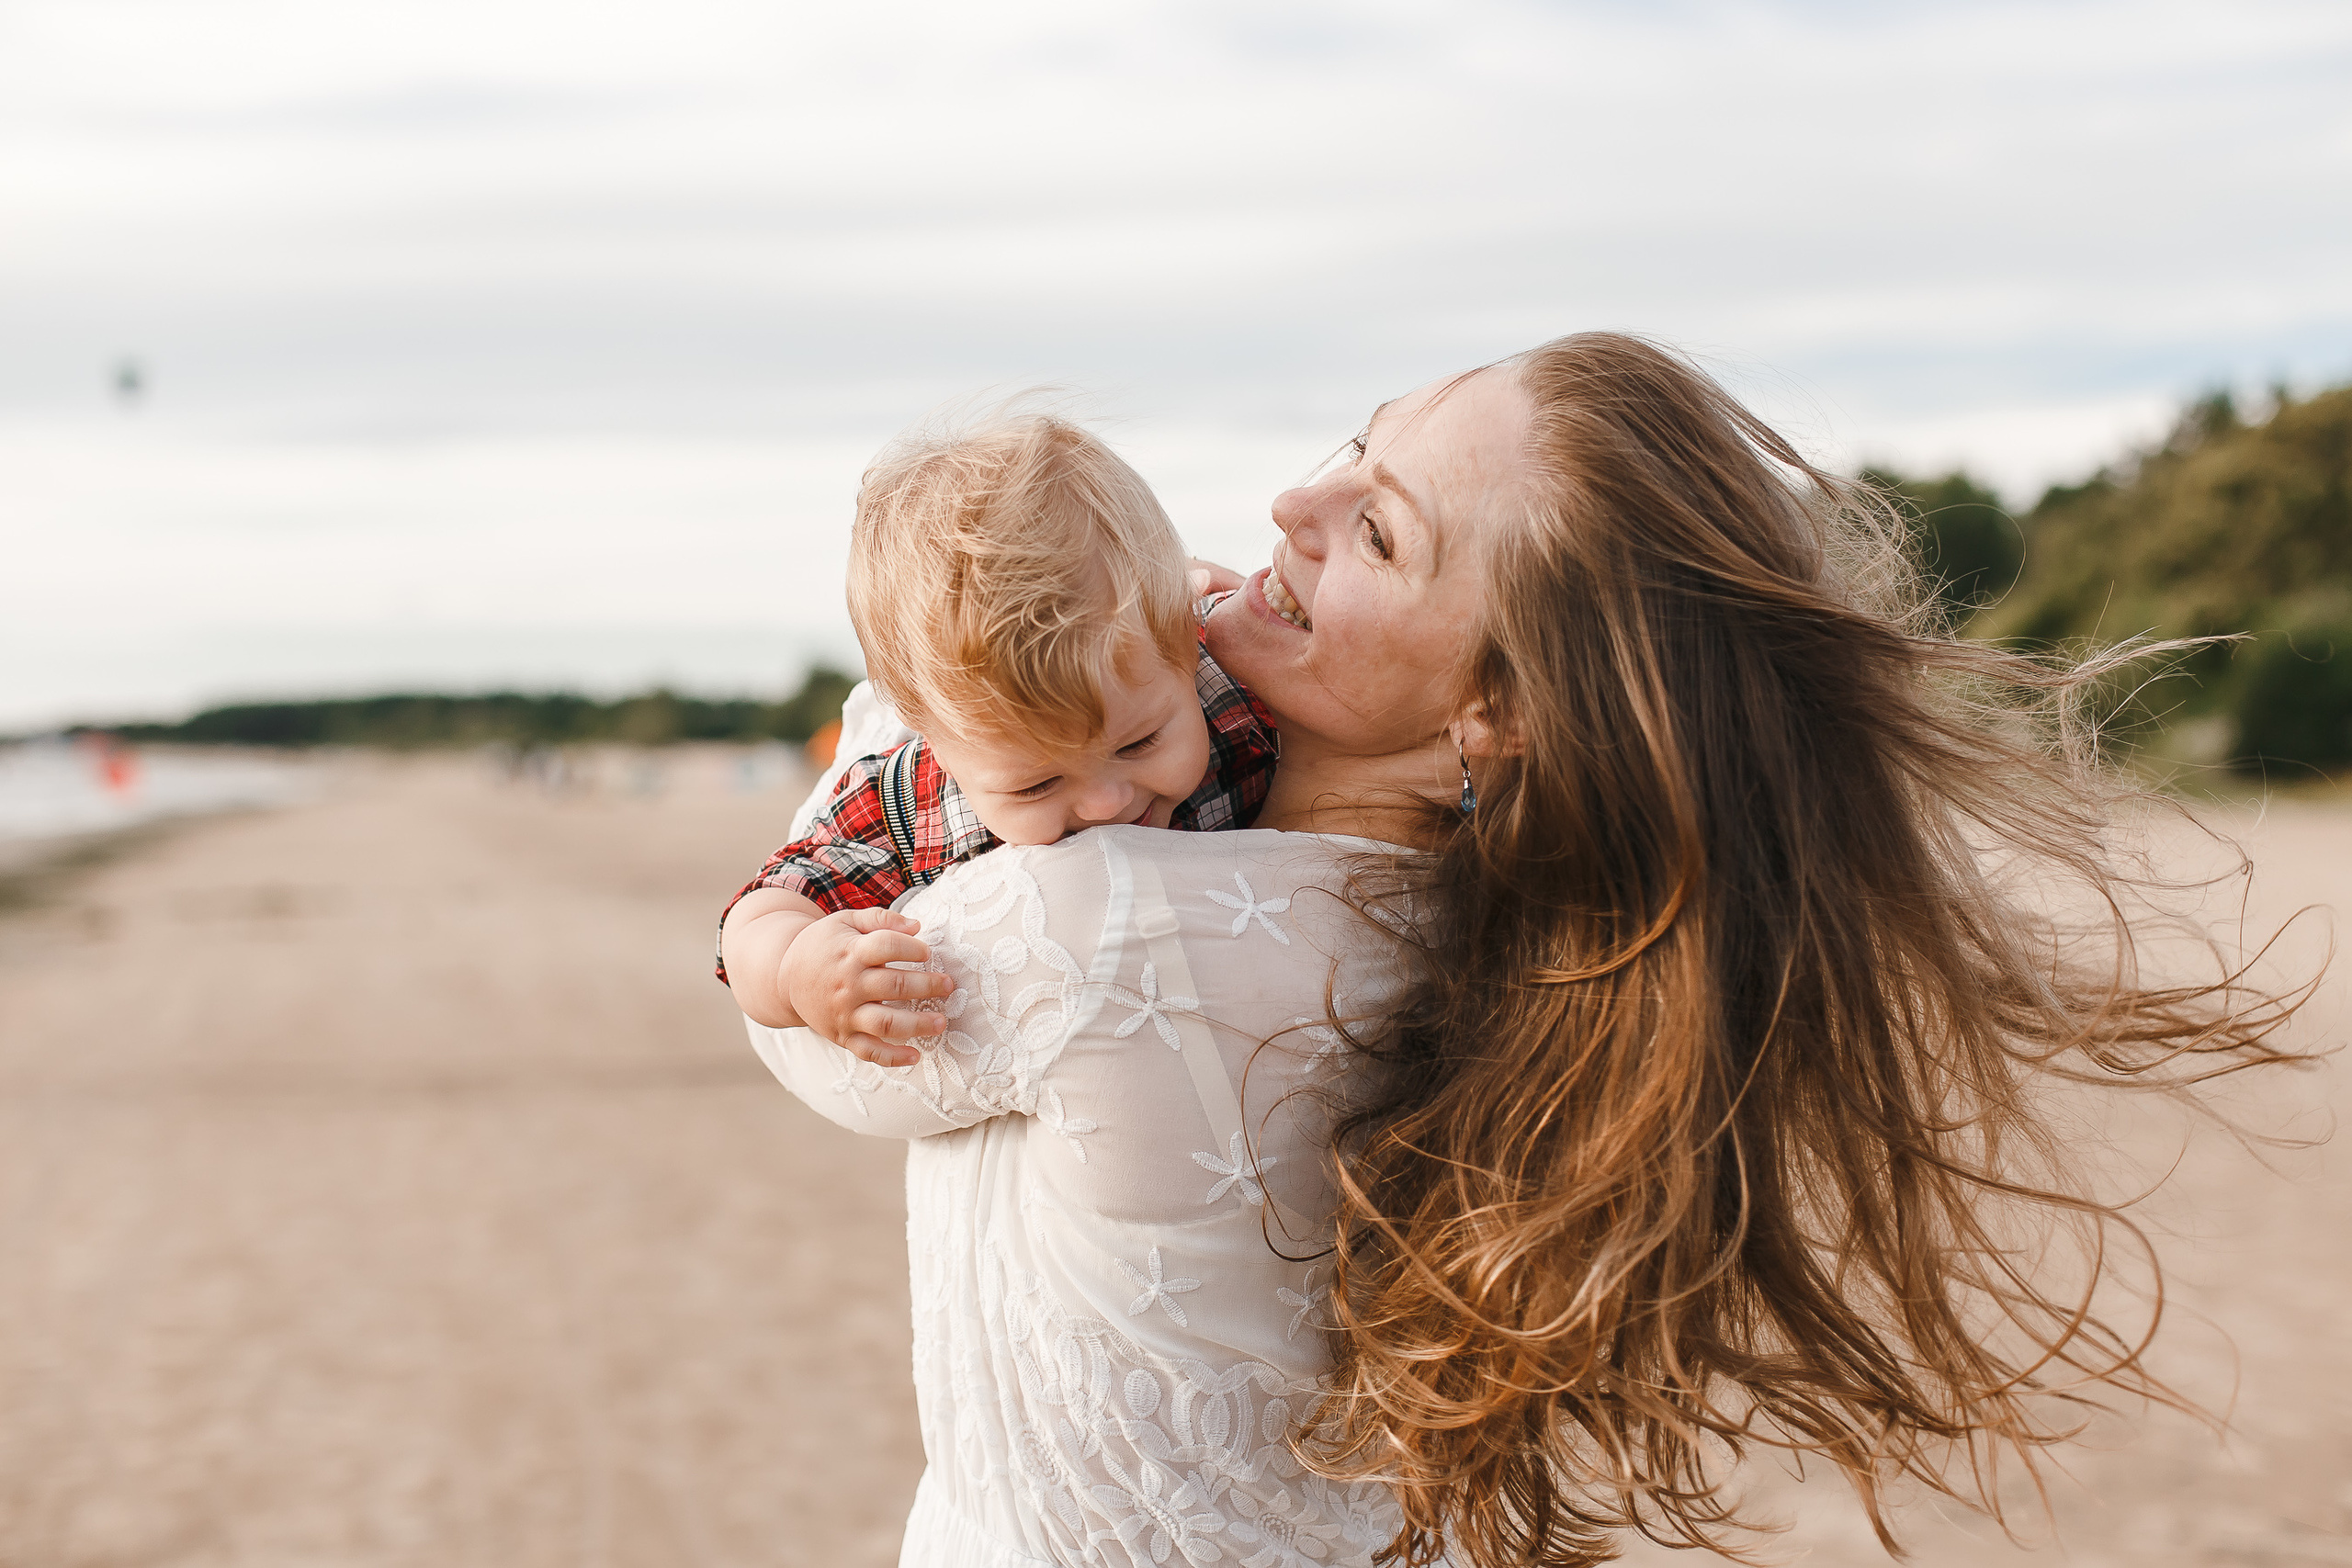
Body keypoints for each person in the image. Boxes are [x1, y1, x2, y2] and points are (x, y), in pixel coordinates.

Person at [730, 333, 2300, 1568]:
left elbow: (808, 1040)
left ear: (1500, 714)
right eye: (1356, 444)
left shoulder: (1086, 920)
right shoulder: (1547, 936)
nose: (1293, 507)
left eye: (1379, 530)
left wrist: (932, 701)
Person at [719, 412, 1278, 1057]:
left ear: (1186, 642)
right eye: (1038, 781)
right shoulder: (912, 803)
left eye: (1139, 743)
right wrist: (796, 969)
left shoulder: (1227, 681)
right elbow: (758, 912)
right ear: (937, 738)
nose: (1105, 803)